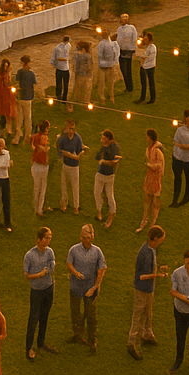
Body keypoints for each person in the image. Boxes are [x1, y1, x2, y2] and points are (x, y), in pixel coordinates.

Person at [66, 223, 107, 352]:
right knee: (75, 313)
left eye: (87, 237)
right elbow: (69, 263)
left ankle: (92, 339)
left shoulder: (97, 251)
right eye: (83, 237)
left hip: (90, 290)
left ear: (92, 237)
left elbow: (102, 269)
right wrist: (75, 272)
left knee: (91, 315)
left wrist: (95, 287)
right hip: (76, 288)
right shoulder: (74, 250)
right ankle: (77, 335)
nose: (85, 240)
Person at [127, 225, 167, 360]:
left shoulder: (151, 249)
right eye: (161, 239)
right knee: (138, 314)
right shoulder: (145, 254)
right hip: (142, 289)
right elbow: (142, 276)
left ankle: (147, 334)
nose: (162, 241)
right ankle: (131, 343)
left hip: (149, 288)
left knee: (148, 312)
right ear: (155, 238)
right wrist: (158, 276)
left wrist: (158, 268)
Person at [24, 226, 58, 360]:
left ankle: (41, 342)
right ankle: (29, 348)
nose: (49, 240)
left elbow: (52, 263)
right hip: (37, 291)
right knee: (33, 319)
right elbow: (26, 275)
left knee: (45, 316)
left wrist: (50, 269)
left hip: (48, 288)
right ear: (39, 239)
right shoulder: (30, 255)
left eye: (50, 238)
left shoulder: (49, 252)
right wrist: (38, 275)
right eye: (46, 238)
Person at [138, 129, 164, 234]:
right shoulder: (148, 149)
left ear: (151, 137)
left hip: (155, 178)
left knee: (154, 200)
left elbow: (159, 165)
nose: (146, 138)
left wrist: (150, 165)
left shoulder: (157, 151)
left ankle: (153, 222)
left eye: (147, 136)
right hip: (149, 176)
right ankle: (144, 219)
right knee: (146, 198)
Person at [93, 129, 121, 227]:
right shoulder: (104, 147)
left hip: (109, 176)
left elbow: (115, 162)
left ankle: (111, 215)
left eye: (103, 138)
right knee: (97, 193)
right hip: (100, 173)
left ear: (109, 139)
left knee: (110, 196)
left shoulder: (114, 148)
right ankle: (99, 211)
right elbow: (98, 157)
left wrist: (104, 161)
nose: (101, 140)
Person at [56, 119, 85, 214]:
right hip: (65, 165)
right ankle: (64, 202)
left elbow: (79, 152)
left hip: (74, 167)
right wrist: (70, 155)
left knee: (75, 187)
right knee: (63, 185)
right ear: (66, 128)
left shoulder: (78, 138)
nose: (71, 131)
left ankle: (76, 206)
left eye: (72, 129)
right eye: (69, 129)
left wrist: (70, 155)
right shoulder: (62, 138)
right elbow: (60, 151)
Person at [29, 121, 52, 218]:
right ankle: (40, 209)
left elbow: (32, 146)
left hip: (35, 165)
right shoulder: (44, 137)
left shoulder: (35, 136)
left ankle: (36, 207)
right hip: (42, 165)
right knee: (42, 188)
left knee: (37, 187)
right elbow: (46, 149)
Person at [14, 55, 36, 146]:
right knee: (24, 118)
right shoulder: (30, 73)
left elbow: (17, 83)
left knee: (23, 118)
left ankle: (22, 136)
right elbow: (34, 86)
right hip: (25, 98)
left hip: (24, 98)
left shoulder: (21, 72)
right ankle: (23, 136)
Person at [0, 61, 19, 144]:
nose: (6, 67)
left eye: (7, 66)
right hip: (3, 95)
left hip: (8, 95)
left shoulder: (8, 74)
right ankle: (6, 130)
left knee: (11, 112)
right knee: (6, 113)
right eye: (4, 66)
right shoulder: (2, 75)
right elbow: (4, 84)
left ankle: (10, 129)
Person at [94, 31, 120, 104]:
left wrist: (113, 63)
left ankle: (111, 95)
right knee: (101, 82)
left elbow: (117, 54)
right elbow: (100, 55)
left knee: (111, 82)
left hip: (111, 66)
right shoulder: (101, 44)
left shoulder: (114, 44)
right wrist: (104, 64)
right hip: (103, 66)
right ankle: (102, 96)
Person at [69, 40, 94, 111]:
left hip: (80, 74)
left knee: (78, 89)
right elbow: (90, 66)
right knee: (87, 90)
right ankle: (86, 103)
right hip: (87, 75)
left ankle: (78, 102)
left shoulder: (79, 55)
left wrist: (76, 72)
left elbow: (76, 65)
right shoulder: (88, 56)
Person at [137, 32, 158, 105]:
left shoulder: (153, 48)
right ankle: (142, 97)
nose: (144, 41)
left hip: (150, 67)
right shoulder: (145, 47)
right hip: (143, 66)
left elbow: (149, 58)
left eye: (146, 40)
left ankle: (152, 98)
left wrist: (143, 61)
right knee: (143, 83)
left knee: (151, 82)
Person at [51, 35, 72, 104]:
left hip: (60, 68)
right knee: (65, 84)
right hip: (64, 68)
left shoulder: (58, 47)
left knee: (59, 83)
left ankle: (59, 96)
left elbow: (53, 58)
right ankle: (63, 98)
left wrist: (55, 64)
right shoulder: (67, 46)